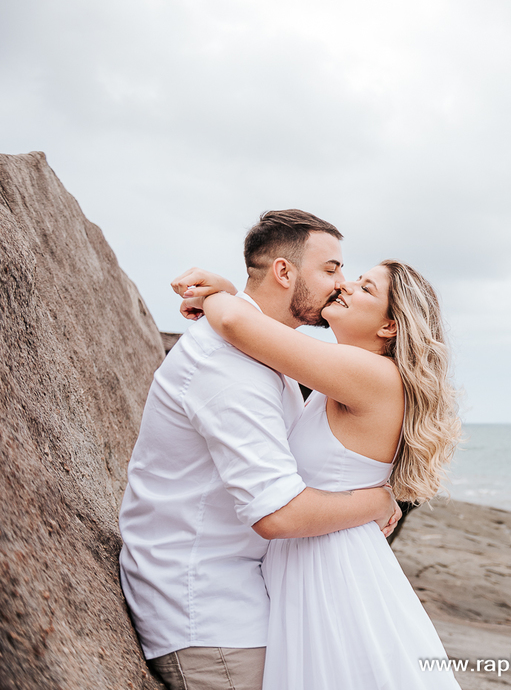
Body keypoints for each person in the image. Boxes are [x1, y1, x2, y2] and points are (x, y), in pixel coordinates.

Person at [119, 210, 402, 690]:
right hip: (208, 613)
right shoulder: (231, 368)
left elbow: (241, 320)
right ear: (284, 272)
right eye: (331, 268)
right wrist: (378, 500)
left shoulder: (268, 355)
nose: (341, 284)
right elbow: (277, 513)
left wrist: (226, 296)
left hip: (246, 597)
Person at [173, 257, 463, 690]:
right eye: (354, 279)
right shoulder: (347, 375)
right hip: (318, 557)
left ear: (389, 327)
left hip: (332, 571)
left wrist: (216, 293)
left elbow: (235, 323)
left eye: (366, 288)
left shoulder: (371, 374)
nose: (346, 286)